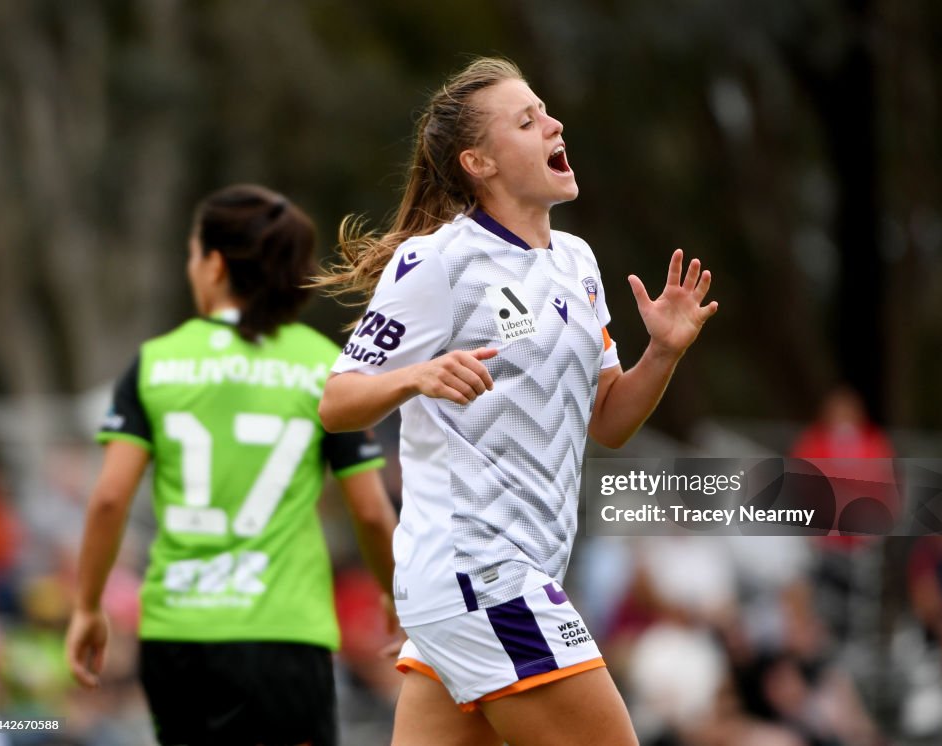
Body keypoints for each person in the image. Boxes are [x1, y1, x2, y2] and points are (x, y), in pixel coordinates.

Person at [315, 57, 718, 746]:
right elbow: (337, 401)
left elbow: (610, 420)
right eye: (526, 120)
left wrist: (663, 353)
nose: (553, 124)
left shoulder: (578, 263)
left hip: (482, 586)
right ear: (480, 162)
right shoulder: (439, 261)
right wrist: (416, 376)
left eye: (546, 111)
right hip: (482, 574)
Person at [65, 184, 398, 746]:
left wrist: (87, 605)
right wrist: (392, 592)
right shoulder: (324, 369)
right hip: (287, 634)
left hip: (180, 634)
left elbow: (108, 498)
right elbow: (368, 512)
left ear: (215, 265)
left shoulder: (156, 363)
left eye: (194, 255)